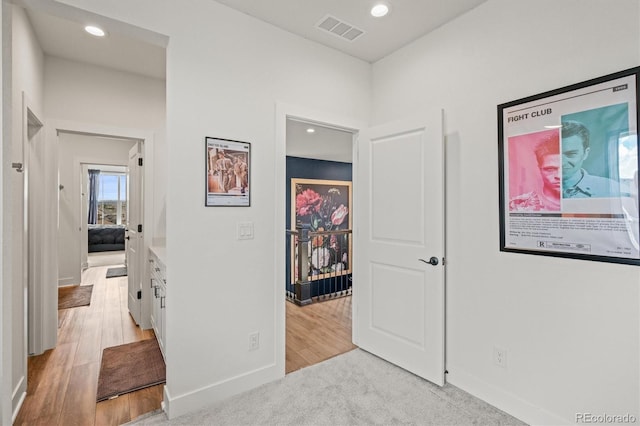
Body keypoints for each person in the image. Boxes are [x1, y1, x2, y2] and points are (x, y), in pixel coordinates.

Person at [561, 120, 622, 198]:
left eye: (571, 154)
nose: (561, 162)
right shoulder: (540, 190)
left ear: (585, 153)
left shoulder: (612, 190)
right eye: (554, 154)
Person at [509, 134, 561, 211]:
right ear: (539, 169)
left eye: (566, 168)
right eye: (550, 169)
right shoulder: (517, 206)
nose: (559, 176)